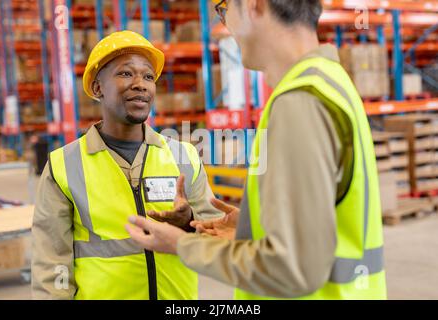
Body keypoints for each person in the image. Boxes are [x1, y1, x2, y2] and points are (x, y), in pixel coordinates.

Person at [126, 0, 387, 300]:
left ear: (254, 5)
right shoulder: (331, 81)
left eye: (224, 9)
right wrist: (256, 230)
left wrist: (181, 245)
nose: (225, 25)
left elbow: (294, 269)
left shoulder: (299, 102)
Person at [31, 30, 222, 300]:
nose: (140, 84)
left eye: (148, 76)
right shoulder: (64, 166)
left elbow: (218, 242)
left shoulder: (184, 157)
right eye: (125, 73)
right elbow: (51, 265)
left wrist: (190, 222)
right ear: (98, 88)